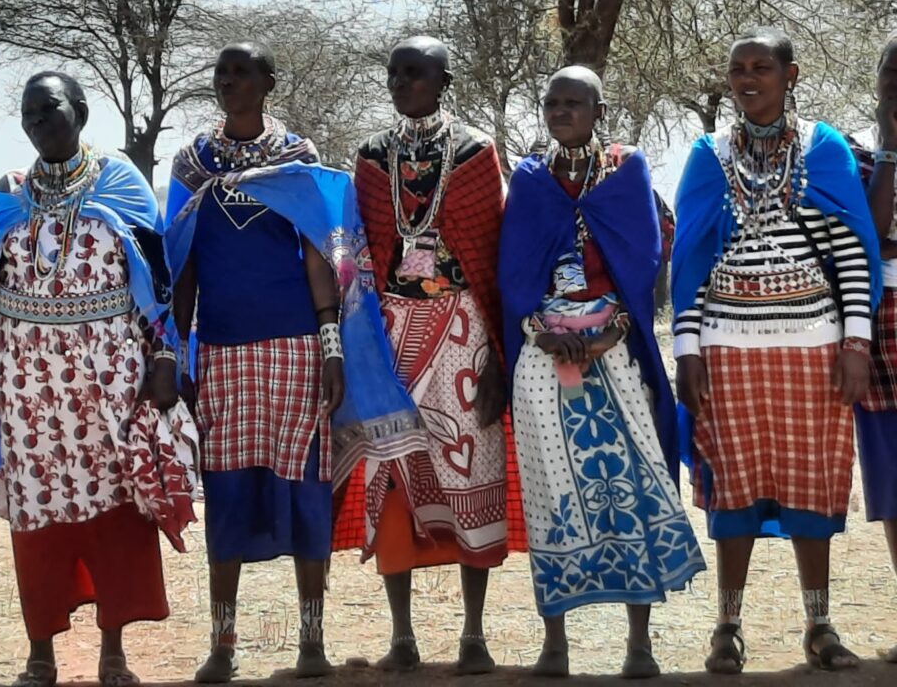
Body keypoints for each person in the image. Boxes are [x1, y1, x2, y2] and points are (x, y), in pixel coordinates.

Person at [0, 71, 196, 687]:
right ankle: (40, 652)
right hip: (26, 376)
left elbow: (159, 278)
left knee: (112, 503)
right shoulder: (10, 191)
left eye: (50, 108)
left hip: (108, 371)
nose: (38, 121)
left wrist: (165, 358)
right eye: (28, 113)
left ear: (82, 112)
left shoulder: (119, 181)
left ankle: (111, 650)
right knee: (37, 509)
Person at [673, 27, 881, 674]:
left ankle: (819, 625)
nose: (748, 79)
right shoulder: (709, 155)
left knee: (812, 488)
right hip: (728, 349)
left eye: (762, 67)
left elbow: (852, 251)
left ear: (792, 76)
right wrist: (687, 347)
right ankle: (726, 627)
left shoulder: (825, 149)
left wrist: (855, 343)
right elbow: (689, 261)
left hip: (813, 349)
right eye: (738, 69)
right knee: (733, 487)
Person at [498, 66, 705, 679]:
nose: (560, 111)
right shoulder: (532, 177)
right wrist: (542, 330)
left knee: (637, 484)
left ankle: (639, 644)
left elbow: (642, 256)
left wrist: (610, 329)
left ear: (597, 108)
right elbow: (515, 266)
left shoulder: (627, 167)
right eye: (551, 102)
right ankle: (554, 643)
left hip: (616, 348)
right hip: (543, 355)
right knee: (550, 492)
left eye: (572, 102)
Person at [333, 35, 524, 675]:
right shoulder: (369, 158)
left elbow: (492, 260)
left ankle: (473, 634)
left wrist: (499, 353)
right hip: (390, 335)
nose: (401, 82)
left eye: (415, 73)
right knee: (391, 475)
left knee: (473, 474)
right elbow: (359, 256)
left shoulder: (474, 156)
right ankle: (402, 635)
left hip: (465, 331)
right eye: (393, 73)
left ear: (446, 78)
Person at [165, 41, 351, 683]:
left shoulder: (297, 159)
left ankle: (311, 643)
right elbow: (181, 263)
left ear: (269, 83)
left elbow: (317, 257)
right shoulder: (192, 163)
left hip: (295, 348)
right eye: (221, 72)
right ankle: (222, 644)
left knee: (305, 488)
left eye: (243, 72)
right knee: (226, 490)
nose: (229, 82)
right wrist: (176, 351)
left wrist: (331, 346)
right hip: (219, 351)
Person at [852, 31, 897, 662]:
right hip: (882, 320)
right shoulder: (860, 155)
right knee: (891, 474)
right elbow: (872, 236)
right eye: (892, 71)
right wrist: (891, 144)